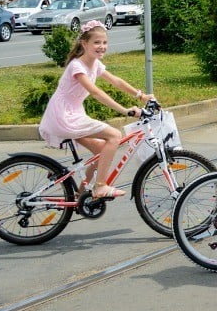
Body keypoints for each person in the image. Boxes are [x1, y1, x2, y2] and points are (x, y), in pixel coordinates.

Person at [38, 20, 153, 199]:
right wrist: (125, 111)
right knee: (114, 136)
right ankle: (99, 187)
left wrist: (140, 95)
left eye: (105, 42)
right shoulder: (77, 66)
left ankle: (82, 194)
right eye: (97, 42)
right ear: (84, 44)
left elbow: (116, 81)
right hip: (64, 116)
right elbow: (96, 93)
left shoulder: (95, 64)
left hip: (72, 113)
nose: (102, 46)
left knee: (102, 151)